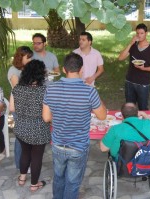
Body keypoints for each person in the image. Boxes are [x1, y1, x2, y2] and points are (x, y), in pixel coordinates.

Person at [42, 52, 107, 199]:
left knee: (58, 178)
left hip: (58, 144)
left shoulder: (50, 89)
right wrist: (96, 96)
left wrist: (59, 119)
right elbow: (102, 116)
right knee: (72, 182)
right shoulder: (90, 91)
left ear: (64, 70)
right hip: (78, 147)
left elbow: (46, 118)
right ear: (82, 69)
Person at [9, 60, 50, 192]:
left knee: (25, 153)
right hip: (39, 130)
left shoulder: (17, 89)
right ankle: (34, 184)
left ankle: (22, 178)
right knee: (36, 157)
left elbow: (11, 108)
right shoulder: (44, 91)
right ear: (40, 74)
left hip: (21, 128)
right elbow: (46, 116)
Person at [118, 23, 150, 110]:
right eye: (137, 33)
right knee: (129, 109)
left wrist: (144, 68)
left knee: (143, 108)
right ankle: (130, 123)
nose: (139, 35)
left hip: (143, 83)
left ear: (146, 33)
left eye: (141, 33)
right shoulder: (133, 46)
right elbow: (120, 58)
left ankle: (143, 124)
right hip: (130, 81)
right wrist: (130, 43)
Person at [7, 46, 33, 170]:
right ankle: (20, 164)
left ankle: (26, 161)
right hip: (16, 108)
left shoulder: (25, 69)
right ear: (21, 56)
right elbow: (18, 89)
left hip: (26, 106)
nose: (30, 59)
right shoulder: (13, 71)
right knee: (20, 138)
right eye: (28, 57)